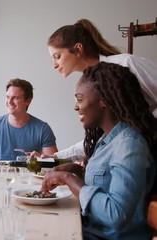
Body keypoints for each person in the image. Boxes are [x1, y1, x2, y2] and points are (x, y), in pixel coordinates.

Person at [41, 62, 157, 239]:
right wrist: (78, 172)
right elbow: (107, 182)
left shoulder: (129, 144)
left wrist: (69, 179)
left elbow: (115, 213)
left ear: (104, 100)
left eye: (80, 99)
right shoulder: (108, 138)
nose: (75, 106)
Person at [47, 18, 157, 160]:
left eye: (57, 57)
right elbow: (99, 137)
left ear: (78, 49)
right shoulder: (87, 87)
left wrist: (145, 124)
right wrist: (55, 157)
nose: (54, 65)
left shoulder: (126, 63)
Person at [0, 78, 58, 160]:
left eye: (15, 98)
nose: (9, 102)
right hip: (0, 172)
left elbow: (53, 164)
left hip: (30, 172)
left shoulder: (43, 129)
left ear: (28, 101)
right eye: (7, 97)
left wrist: (40, 160)